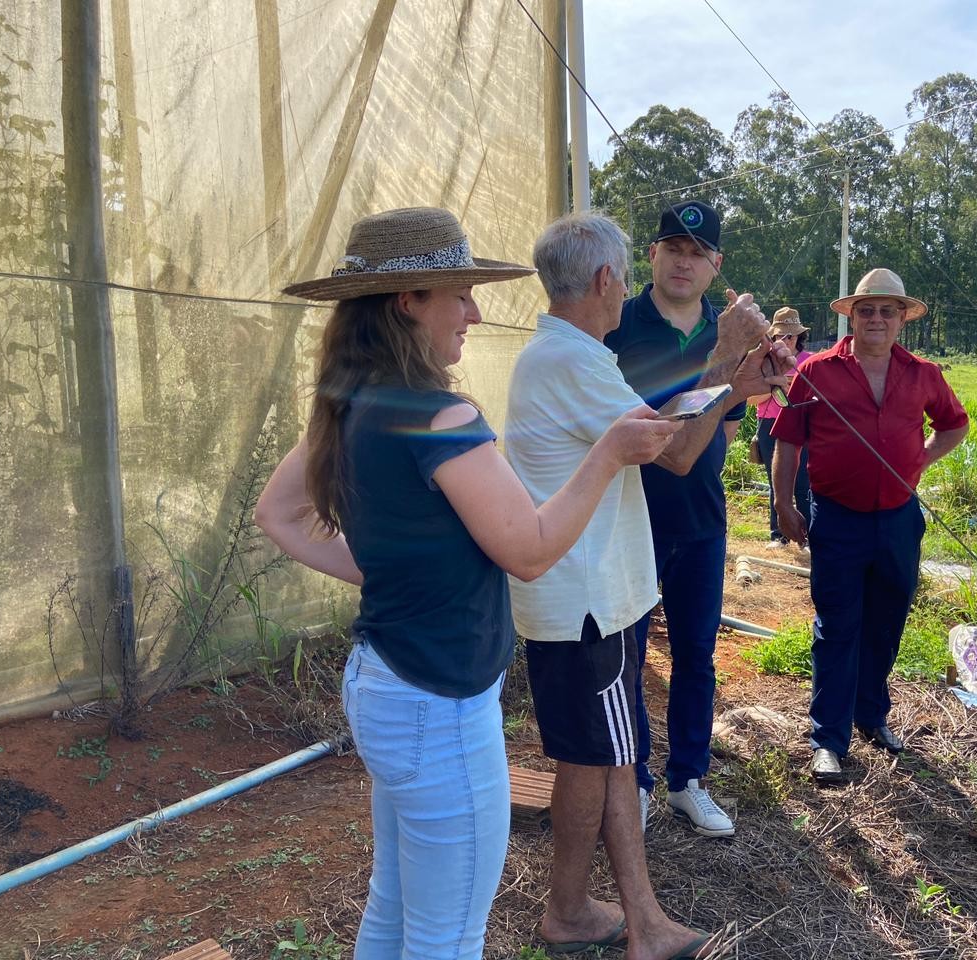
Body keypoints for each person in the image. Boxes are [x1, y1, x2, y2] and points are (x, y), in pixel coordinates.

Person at [253, 207, 683, 960]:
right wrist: (610, 452)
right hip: (441, 705)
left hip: (383, 683)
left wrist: (391, 572)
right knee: (448, 937)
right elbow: (530, 549)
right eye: (459, 293)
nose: (475, 313)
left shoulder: (349, 404)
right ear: (407, 303)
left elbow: (279, 515)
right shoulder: (440, 415)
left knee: (393, 910)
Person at [505, 211, 786, 959]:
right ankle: (646, 924)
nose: (625, 286)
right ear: (604, 280)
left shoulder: (566, 354)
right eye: (626, 273)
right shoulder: (577, 361)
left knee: (592, 757)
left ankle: (568, 909)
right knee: (615, 758)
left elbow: (675, 429)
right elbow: (679, 451)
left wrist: (731, 382)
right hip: (590, 604)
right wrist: (726, 357)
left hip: (584, 599)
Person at [770, 268, 969, 784]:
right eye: (866, 310)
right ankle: (827, 740)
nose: (876, 319)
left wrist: (921, 461)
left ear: (902, 317)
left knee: (886, 621)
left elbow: (954, 424)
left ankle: (871, 716)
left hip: (900, 518)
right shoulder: (817, 371)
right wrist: (784, 504)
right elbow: (787, 441)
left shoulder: (923, 373)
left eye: (887, 310)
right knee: (838, 625)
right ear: (851, 316)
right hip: (836, 518)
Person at [603, 200, 758, 838]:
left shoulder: (729, 329)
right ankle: (635, 777)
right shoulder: (619, 323)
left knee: (696, 651)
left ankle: (688, 778)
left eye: (698, 253)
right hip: (629, 514)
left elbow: (724, 419)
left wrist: (751, 375)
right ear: (654, 255)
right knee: (631, 655)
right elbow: (649, 432)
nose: (684, 262)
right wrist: (723, 361)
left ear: (716, 265)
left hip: (702, 518)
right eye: (674, 248)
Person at [752, 307, 813, 550]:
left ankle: (806, 537)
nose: (784, 341)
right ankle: (778, 535)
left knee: (803, 483)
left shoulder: (808, 362)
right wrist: (771, 386)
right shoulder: (764, 362)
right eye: (779, 336)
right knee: (775, 481)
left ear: (799, 336)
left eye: (790, 336)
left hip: (801, 425)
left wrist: (794, 387)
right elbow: (750, 399)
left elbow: (816, 397)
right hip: (769, 424)